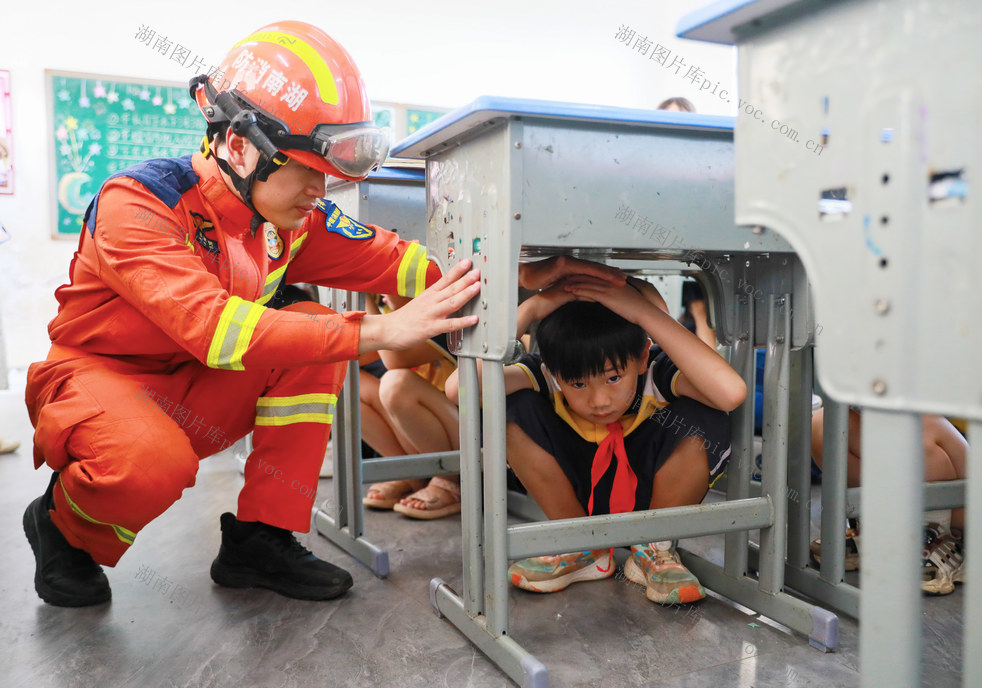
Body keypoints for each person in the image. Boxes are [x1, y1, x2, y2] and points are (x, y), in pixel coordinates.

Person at [22, 21, 484, 608]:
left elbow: (396, 259)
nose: (321, 189)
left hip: (192, 383)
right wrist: (384, 328)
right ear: (241, 146)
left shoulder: (284, 216)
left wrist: (507, 281)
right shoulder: (137, 204)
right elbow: (213, 328)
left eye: (327, 173)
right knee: (151, 464)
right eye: (306, 168)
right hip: (98, 380)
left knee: (310, 337)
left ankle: (261, 538)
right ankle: (63, 528)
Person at [446, 267, 746, 605]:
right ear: (556, 372)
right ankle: (579, 545)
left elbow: (731, 393)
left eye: (614, 378)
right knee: (509, 405)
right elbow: (460, 390)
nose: (599, 400)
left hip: (656, 501)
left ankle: (655, 548)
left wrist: (643, 313)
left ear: (642, 358)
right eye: (578, 384)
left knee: (704, 409)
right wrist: (533, 308)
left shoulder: (656, 371)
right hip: (581, 500)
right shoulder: (546, 374)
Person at [809, 408, 968, 594]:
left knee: (917, 433)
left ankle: (939, 538)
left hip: (967, 501)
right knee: (826, 425)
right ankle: (883, 533)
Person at [361, 293, 463, 519]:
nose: (384, 297)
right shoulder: (391, 311)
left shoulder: (447, 313)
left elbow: (394, 359)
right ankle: (409, 473)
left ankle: (448, 481)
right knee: (345, 383)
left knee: (396, 384)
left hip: (473, 430)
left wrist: (366, 298)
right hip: (431, 427)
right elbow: (354, 353)